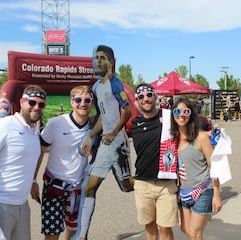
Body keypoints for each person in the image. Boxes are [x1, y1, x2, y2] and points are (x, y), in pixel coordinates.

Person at [0, 84, 47, 240]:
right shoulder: (4, 125)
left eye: (41, 104)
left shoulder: (33, 129)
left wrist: (33, 180)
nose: (36, 107)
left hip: (21, 204)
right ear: (21, 102)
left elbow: (31, 158)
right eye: (31, 102)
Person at [78, 45, 133, 240]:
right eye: (95, 57)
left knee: (127, 186)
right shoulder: (96, 87)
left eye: (102, 58)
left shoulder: (116, 84)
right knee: (89, 188)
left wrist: (114, 132)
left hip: (117, 142)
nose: (98, 61)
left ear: (110, 62)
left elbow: (128, 111)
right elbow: (102, 116)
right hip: (106, 144)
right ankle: (82, 235)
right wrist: (90, 135)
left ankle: (157, 183)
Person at [31, 85, 95, 240]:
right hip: (54, 187)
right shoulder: (56, 123)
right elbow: (40, 151)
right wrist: (33, 179)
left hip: (78, 188)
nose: (83, 103)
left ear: (92, 103)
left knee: (74, 232)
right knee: (52, 235)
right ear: (71, 102)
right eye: (78, 99)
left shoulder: (94, 126)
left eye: (87, 100)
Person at [130, 84, 179, 240]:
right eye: (141, 97)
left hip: (166, 184)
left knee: (165, 228)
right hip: (143, 184)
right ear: (137, 101)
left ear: (155, 97)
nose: (146, 99)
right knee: (149, 226)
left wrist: (210, 129)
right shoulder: (134, 124)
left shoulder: (169, 117)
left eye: (149, 95)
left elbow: (193, 122)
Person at [171, 97, 222, 240]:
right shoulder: (172, 138)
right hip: (183, 192)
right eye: (177, 111)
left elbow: (215, 166)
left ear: (191, 114)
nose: (181, 115)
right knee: (185, 229)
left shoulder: (200, 137)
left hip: (203, 190)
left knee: (194, 233)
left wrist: (217, 195)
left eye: (185, 111)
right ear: (173, 114)